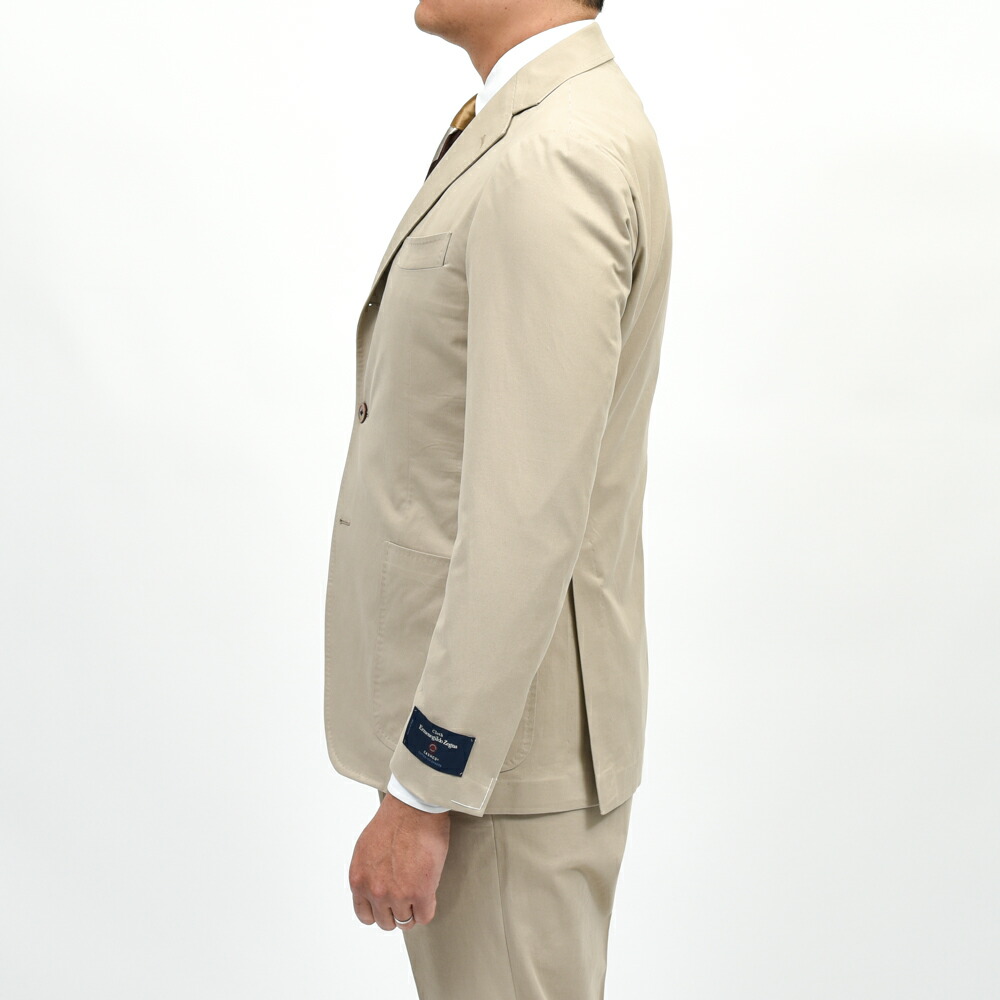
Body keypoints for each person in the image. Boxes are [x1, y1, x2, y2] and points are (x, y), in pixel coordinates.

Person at [323, 1, 672, 996]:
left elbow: (526, 517)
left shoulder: (554, 153)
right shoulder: (528, 125)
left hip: (496, 769)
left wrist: (425, 787)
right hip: (500, 757)